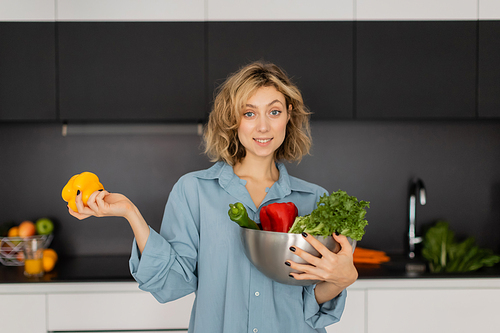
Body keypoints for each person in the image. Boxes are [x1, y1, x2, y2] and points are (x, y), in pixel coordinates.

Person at [68, 61, 358, 332]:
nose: (263, 127)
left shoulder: (316, 199)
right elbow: (172, 282)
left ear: (288, 115)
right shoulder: (193, 191)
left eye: (274, 111)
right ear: (233, 119)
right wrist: (131, 213)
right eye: (249, 113)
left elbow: (309, 302)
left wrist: (341, 280)